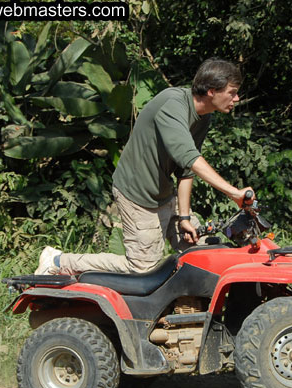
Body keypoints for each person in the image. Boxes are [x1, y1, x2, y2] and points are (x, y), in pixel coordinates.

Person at [35, 58, 253, 276]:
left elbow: (185, 170)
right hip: (137, 196)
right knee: (142, 270)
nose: (236, 98)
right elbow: (188, 156)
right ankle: (57, 261)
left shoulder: (203, 117)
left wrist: (184, 217)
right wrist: (234, 193)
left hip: (165, 194)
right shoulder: (173, 104)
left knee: (202, 250)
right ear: (212, 91)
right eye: (232, 92)